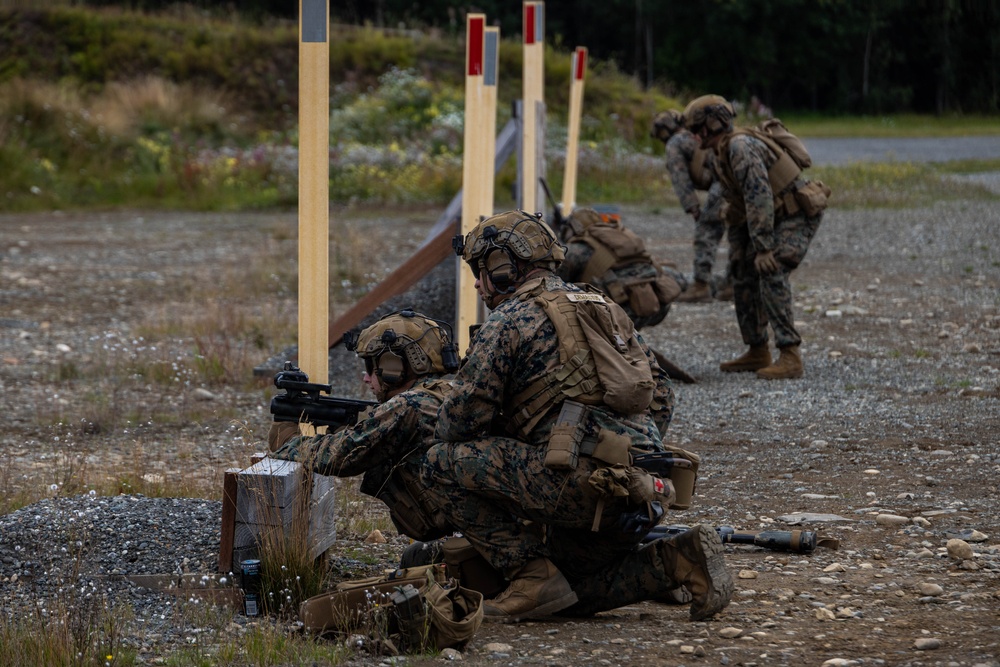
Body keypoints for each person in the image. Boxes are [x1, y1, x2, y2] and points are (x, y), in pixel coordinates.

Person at [418, 210, 732, 623]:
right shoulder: (603, 304)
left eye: (481, 271)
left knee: (438, 462)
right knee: (568, 592)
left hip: (579, 488)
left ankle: (528, 574)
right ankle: (678, 560)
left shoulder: (509, 319)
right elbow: (661, 398)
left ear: (505, 267)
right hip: (643, 492)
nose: (478, 284)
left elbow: (457, 423)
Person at [267, 309, 460, 542]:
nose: (366, 378)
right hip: (470, 526)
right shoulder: (447, 391)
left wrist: (289, 442)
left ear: (393, 367)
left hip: (467, 528)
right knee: (414, 559)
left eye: (371, 367)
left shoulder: (410, 404)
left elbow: (341, 457)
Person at [682, 95, 825, 379]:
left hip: (794, 214)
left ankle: (790, 354)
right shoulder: (721, 152)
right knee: (742, 272)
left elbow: (759, 198)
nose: (695, 136)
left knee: (771, 269)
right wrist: (740, 251)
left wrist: (763, 248)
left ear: (713, 124)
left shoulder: (740, 147)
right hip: (769, 217)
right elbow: (738, 203)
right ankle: (758, 349)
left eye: (698, 129)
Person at [555, 206, 687, 330]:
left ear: (574, 228)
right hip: (657, 306)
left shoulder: (576, 250)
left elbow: (555, 284)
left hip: (618, 313)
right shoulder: (622, 238)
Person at [651, 109, 733, 302]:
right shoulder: (694, 136)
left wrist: (693, 208)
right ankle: (733, 284)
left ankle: (700, 286)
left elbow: (681, 179)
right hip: (733, 179)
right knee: (737, 232)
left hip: (723, 182)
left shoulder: (674, 143)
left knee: (707, 230)